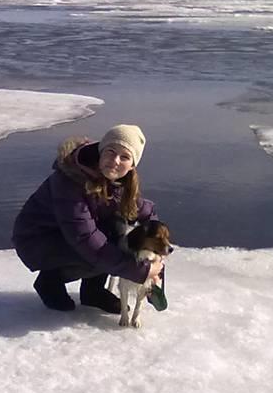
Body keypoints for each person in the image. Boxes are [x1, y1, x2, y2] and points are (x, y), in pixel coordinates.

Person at [12, 124, 165, 312]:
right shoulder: (70, 181)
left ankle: (92, 292)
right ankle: (49, 281)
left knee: (117, 233)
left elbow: (145, 212)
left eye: (124, 157)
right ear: (101, 151)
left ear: (132, 165)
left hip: (69, 236)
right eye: (110, 152)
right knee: (107, 247)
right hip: (39, 240)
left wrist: (156, 253)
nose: (115, 161)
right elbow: (85, 239)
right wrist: (140, 270)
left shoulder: (119, 180)